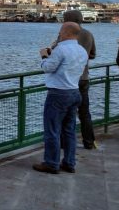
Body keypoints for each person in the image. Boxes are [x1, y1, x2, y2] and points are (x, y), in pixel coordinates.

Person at [33, 22, 88, 174]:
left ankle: (51, 163)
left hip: (58, 93)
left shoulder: (61, 49)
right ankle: (69, 162)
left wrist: (44, 56)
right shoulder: (82, 51)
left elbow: (47, 68)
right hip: (74, 92)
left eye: (61, 31)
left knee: (52, 130)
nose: (59, 34)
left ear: (65, 32)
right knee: (69, 130)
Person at [52, 10, 97, 149]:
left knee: (63, 114)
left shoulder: (65, 35)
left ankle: (63, 143)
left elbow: (55, 54)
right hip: (83, 78)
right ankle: (89, 142)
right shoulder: (88, 34)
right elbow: (93, 54)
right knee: (84, 113)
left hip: (67, 80)